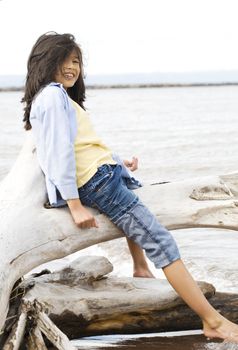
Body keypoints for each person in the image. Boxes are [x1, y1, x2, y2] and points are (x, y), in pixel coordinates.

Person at [22, 31, 238, 343]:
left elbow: (82, 145)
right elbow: (59, 153)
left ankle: (140, 267)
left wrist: (120, 162)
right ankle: (212, 320)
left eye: (76, 62)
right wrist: (74, 204)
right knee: (162, 243)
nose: (72, 67)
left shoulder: (55, 98)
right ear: (46, 62)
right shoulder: (54, 97)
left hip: (103, 175)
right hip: (96, 182)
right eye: (65, 60)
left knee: (137, 202)